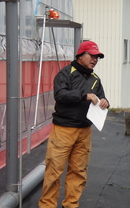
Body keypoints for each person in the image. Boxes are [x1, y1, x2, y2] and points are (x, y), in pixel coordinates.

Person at [39, 41, 109, 208]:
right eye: (91, 56)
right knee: (54, 170)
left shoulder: (95, 79)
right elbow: (60, 94)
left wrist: (105, 102)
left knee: (79, 171)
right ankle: (47, 205)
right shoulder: (66, 73)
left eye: (97, 57)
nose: (95, 59)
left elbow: (100, 97)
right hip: (64, 129)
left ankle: (71, 204)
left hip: (85, 130)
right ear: (80, 55)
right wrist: (84, 96)